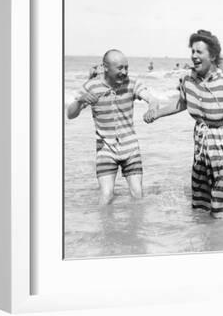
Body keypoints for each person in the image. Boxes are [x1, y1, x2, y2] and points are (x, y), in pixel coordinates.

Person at [144, 29, 223, 218]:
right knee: (202, 207)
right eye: (192, 51)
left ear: (213, 55)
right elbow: (182, 103)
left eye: (199, 52)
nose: (194, 56)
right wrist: (157, 113)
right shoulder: (188, 80)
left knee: (222, 210)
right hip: (202, 148)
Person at [66, 49, 158, 204]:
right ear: (106, 67)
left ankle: (135, 228)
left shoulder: (132, 83)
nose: (124, 72)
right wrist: (80, 101)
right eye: (120, 68)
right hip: (105, 150)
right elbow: (70, 114)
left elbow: (152, 99)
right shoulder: (92, 87)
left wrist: (152, 108)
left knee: (137, 194)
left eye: (126, 67)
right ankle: (105, 228)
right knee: (106, 195)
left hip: (131, 148)